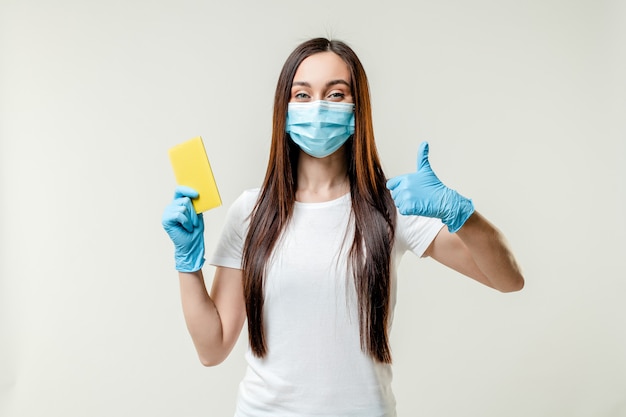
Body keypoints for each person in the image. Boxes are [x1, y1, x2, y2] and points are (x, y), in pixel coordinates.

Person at [162, 37, 524, 417]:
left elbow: (507, 279)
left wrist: (460, 213)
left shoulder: (392, 206)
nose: (317, 107)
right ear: (283, 112)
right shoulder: (251, 212)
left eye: (335, 95)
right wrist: (187, 263)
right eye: (302, 95)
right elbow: (212, 348)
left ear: (357, 111)